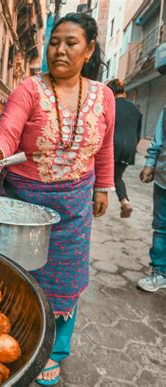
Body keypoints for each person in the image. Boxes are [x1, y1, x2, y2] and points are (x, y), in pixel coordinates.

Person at [0, 13, 115, 385]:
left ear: (90, 50)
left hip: (74, 207)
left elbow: (105, 147)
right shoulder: (29, 89)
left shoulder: (104, 97)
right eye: (55, 42)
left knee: (66, 280)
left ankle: (54, 349)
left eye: (71, 43)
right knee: (16, 272)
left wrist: (104, 187)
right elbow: (8, 130)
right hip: (23, 204)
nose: (60, 50)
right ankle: (10, 335)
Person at [137, 107, 166, 292]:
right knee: (161, 227)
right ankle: (160, 273)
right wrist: (150, 164)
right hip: (164, 178)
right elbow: (159, 139)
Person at [106, 78, 142, 218]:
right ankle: (125, 202)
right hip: (129, 149)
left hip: (112, 146)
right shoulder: (135, 109)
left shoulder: (110, 105)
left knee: (99, 174)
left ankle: (93, 203)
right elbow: (137, 133)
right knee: (117, 177)